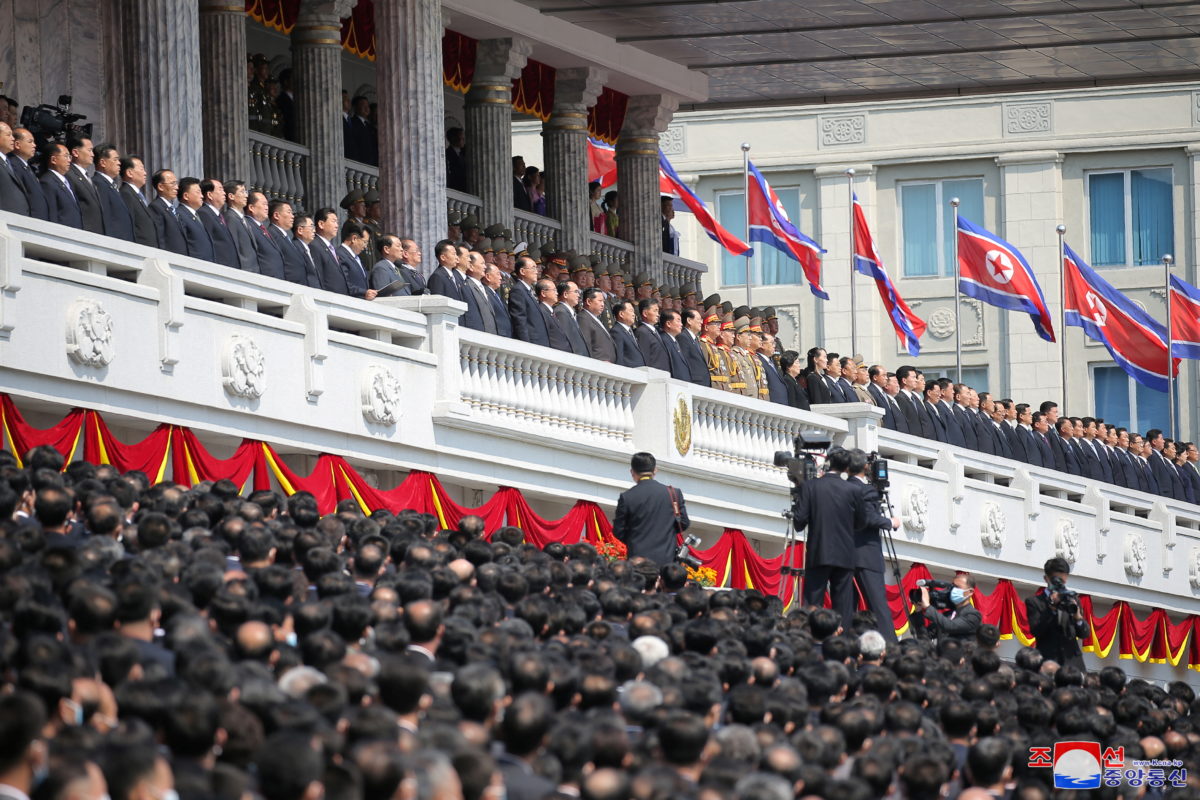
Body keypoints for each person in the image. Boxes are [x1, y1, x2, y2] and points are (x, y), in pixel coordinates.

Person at [792, 447, 897, 629]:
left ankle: (808, 637)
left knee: (812, 603)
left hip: (819, 552)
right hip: (845, 555)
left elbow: (799, 522)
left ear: (829, 463)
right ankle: (844, 638)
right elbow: (862, 522)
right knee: (844, 608)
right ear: (845, 467)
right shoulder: (853, 490)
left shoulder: (811, 486)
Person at [847, 450, 897, 644]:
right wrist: (889, 522)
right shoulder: (867, 490)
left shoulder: (841, 487)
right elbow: (868, 517)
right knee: (878, 605)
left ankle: (846, 645)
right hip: (866, 554)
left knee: (846, 606)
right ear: (866, 467)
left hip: (845, 554)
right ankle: (891, 647)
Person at [613, 452, 689, 566]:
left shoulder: (627, 497)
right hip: (666, 560)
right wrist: (666, 533)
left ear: (632, 472)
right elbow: (684, 523)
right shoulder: (673, 493)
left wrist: (635, 539)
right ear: (655, 470)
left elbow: (618, 531)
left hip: (638, 562)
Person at [1024, 557, 1087, 670]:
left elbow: (1084, 634)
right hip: (1049, 663)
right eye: (1056, 580)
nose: (1060, 584)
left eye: (1062, 581)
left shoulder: (1073, 598)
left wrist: (1078, 618)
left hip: (1073, 664)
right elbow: (1036, 631)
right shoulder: (1035, 602)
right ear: (1046, 578)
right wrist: (1052, 609)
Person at [916, 573, 982, 642]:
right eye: (952, 586)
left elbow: (950, 626)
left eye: (957, 587)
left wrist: (928, 607)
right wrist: (918, 612)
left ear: (970, 592)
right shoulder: (948, 614)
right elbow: (925, 635)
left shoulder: (973, 615)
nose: (953, 590)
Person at [90, 144, 134, 242]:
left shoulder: (112, 185)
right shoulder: (98, 183)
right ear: (103, 162)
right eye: (115, 159)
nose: (119, 163)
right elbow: (106, 217)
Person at [198, 178, 241, 270]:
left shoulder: (218, 215)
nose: (224, 193)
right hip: (220, 268)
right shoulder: (204, 213)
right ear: (209, 194)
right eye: (220, 189)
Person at [40, 143, 84, 229]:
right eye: (66, 156)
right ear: (53, 159)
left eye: (70, 157)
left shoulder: (67, 181)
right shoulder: (47, 182)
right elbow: (52, 213)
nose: (69, 160)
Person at [66, 136, 104, 235]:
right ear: (75, 152)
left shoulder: (87, 176)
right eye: (89, 150)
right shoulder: (69, 174)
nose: (92, 154)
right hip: (84, 233)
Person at [119, 156, 159, 248]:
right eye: (141, 169)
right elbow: (129, 225)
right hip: (140, 249)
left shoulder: (137, 194)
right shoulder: (126, 193)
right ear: (129, 173)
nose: (145, 173)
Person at [7, 127, 45, 219]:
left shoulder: (27, 167)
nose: (34, 145)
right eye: (30, 142)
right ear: (17, 144)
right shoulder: (13, 164)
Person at [175, 177, 216, 263]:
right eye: (198, 192)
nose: (202, 196)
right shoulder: (180, 214)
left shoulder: (196, 215)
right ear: (186, 196)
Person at [222, 180, 259, 273]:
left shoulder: (243, 219)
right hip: (244, 271)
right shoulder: (230, 218)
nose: (246, 195)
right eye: (242, 192)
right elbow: (233, 247)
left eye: (245, 192)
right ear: (231, 196)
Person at [577, 287, 615, 363]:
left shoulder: (595, 318)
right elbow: (586, 345)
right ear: (588, 301)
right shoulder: (583, 318)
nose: (602, 304)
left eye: (603, 302)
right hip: (598, 366)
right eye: (600, 301)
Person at [610, 299, 644, 368]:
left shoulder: (630, 331)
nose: (634, 314)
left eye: (634, 312)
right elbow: (619, 357)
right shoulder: (616, 332)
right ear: (621, 314)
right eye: (631, 311)